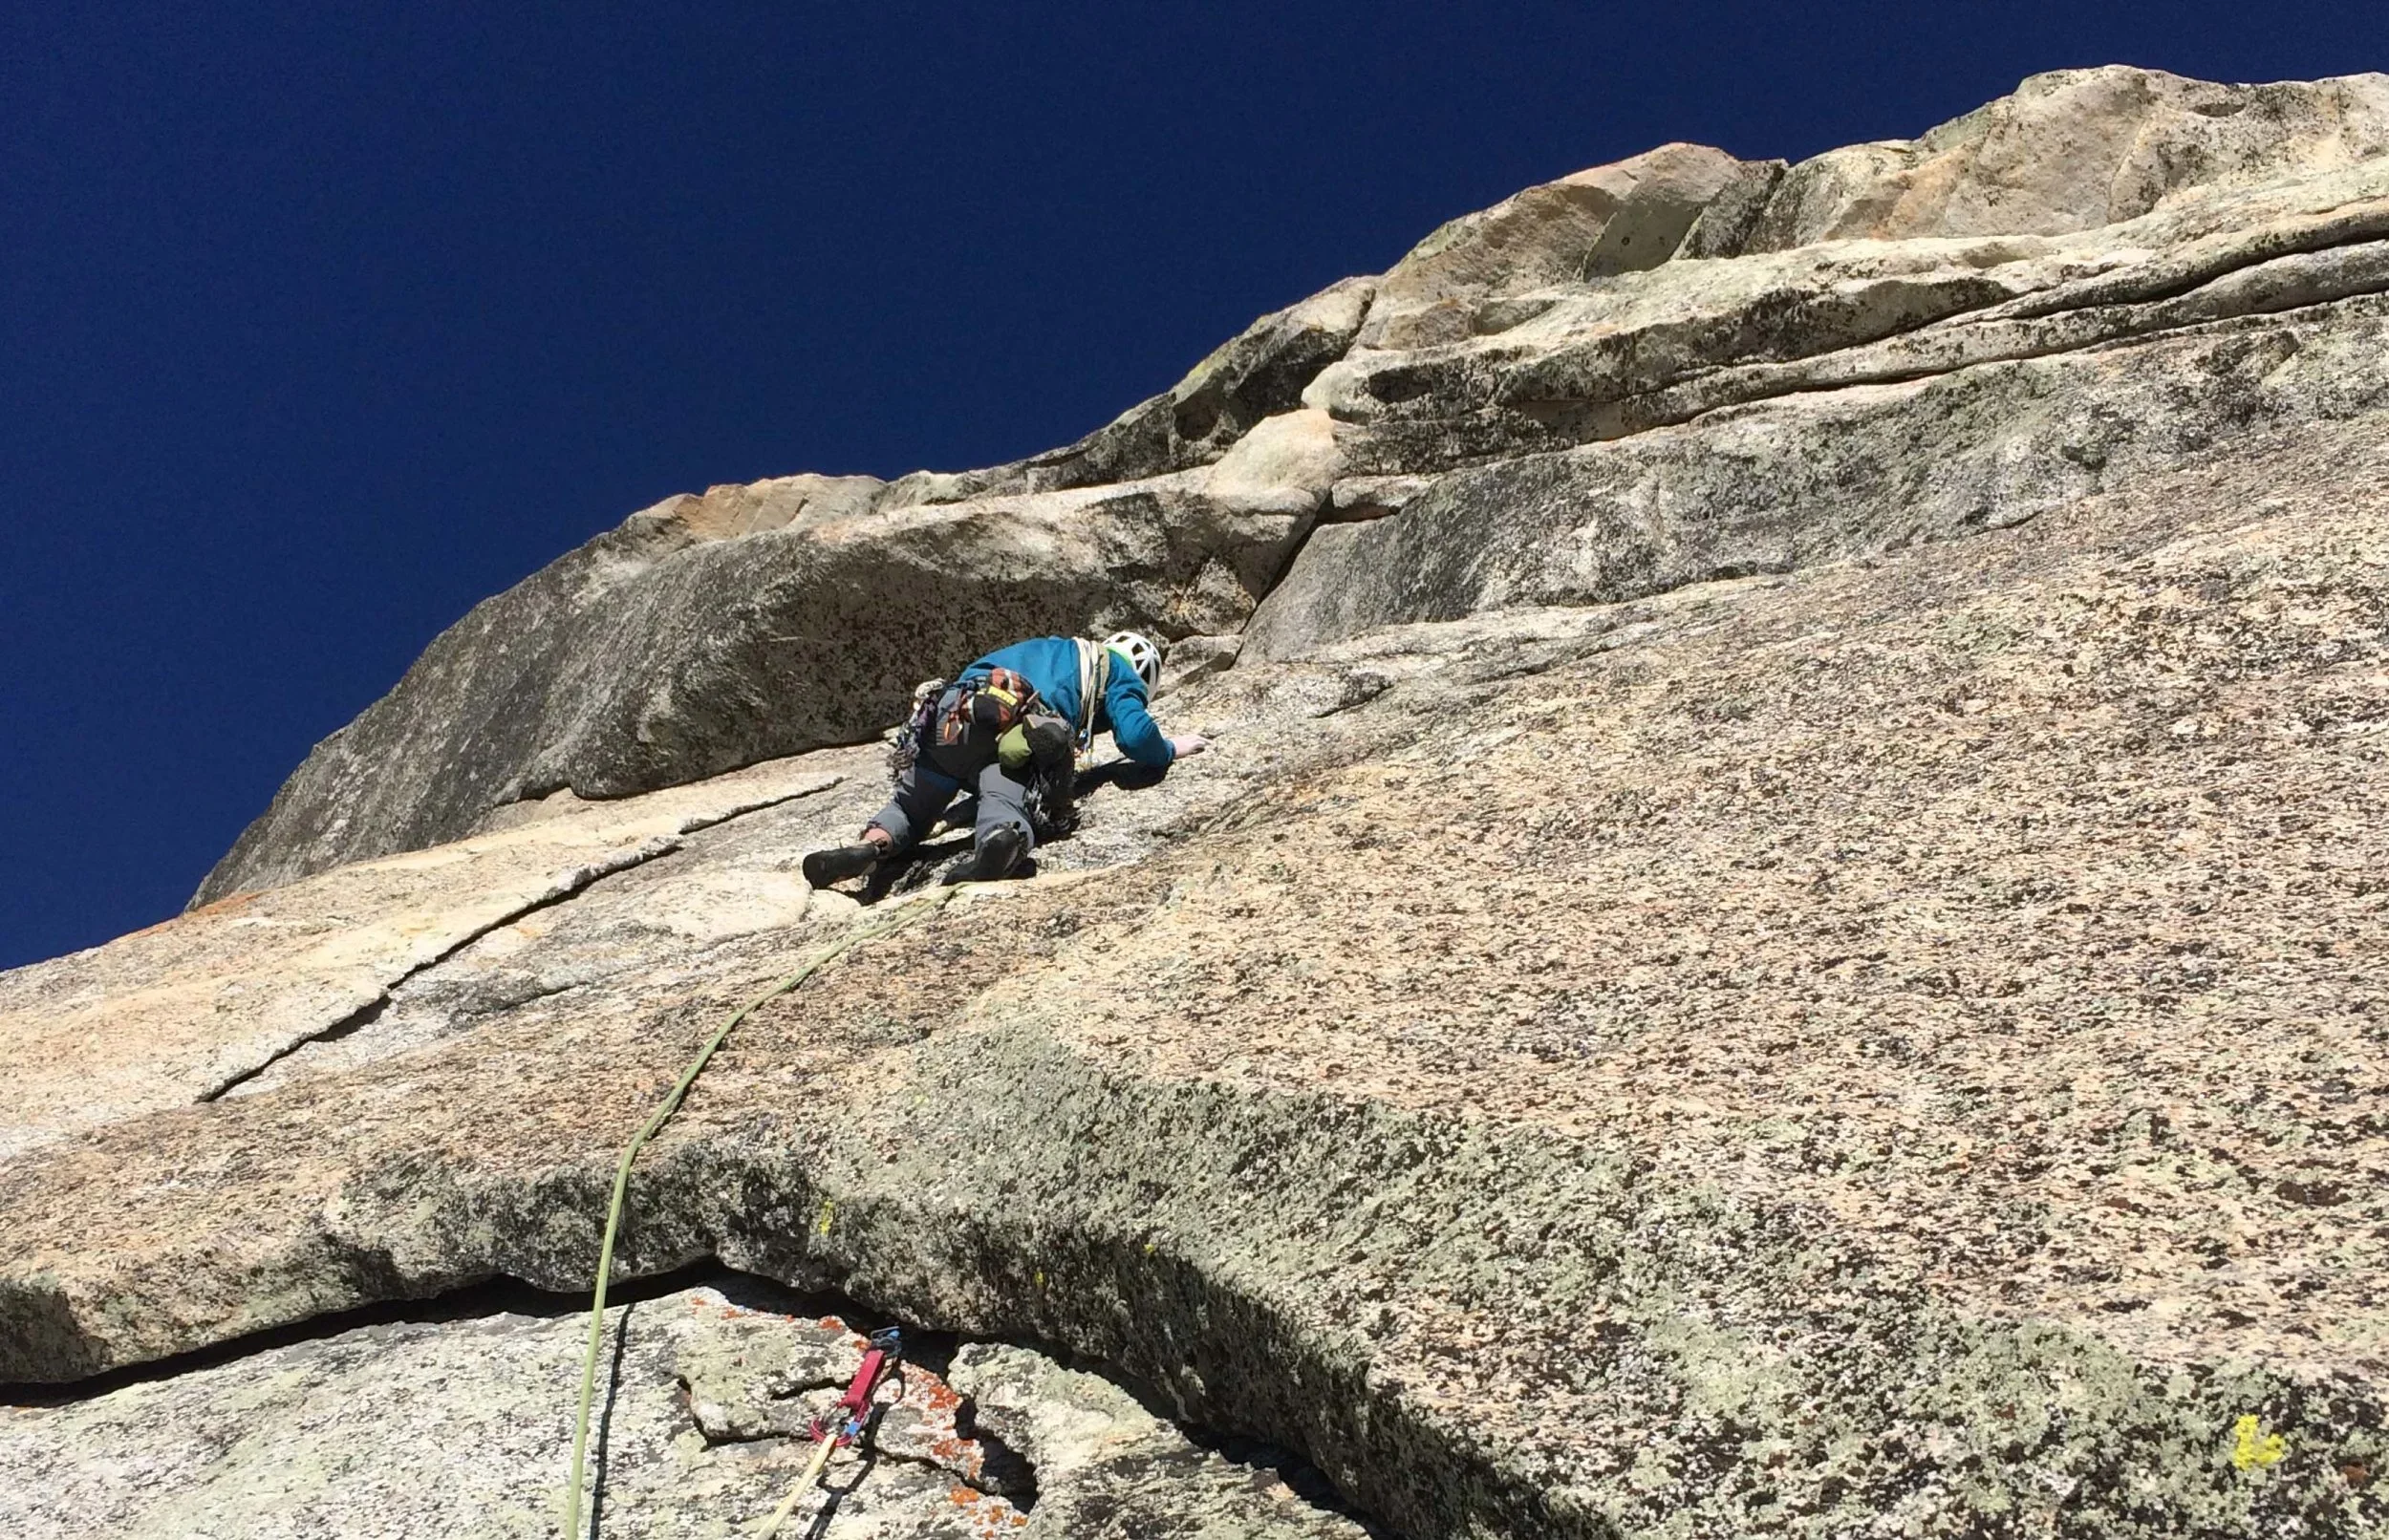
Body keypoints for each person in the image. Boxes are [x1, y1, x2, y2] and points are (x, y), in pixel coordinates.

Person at [802, 631, 1208, 888]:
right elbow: (1136, 736)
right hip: (1016, 731)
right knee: (1006, 796)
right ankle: (999, 843)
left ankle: (871, 849)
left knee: (911, 806)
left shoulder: (1055, 647)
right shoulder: (1119, 675)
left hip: (953, 714)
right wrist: (1169, 749)